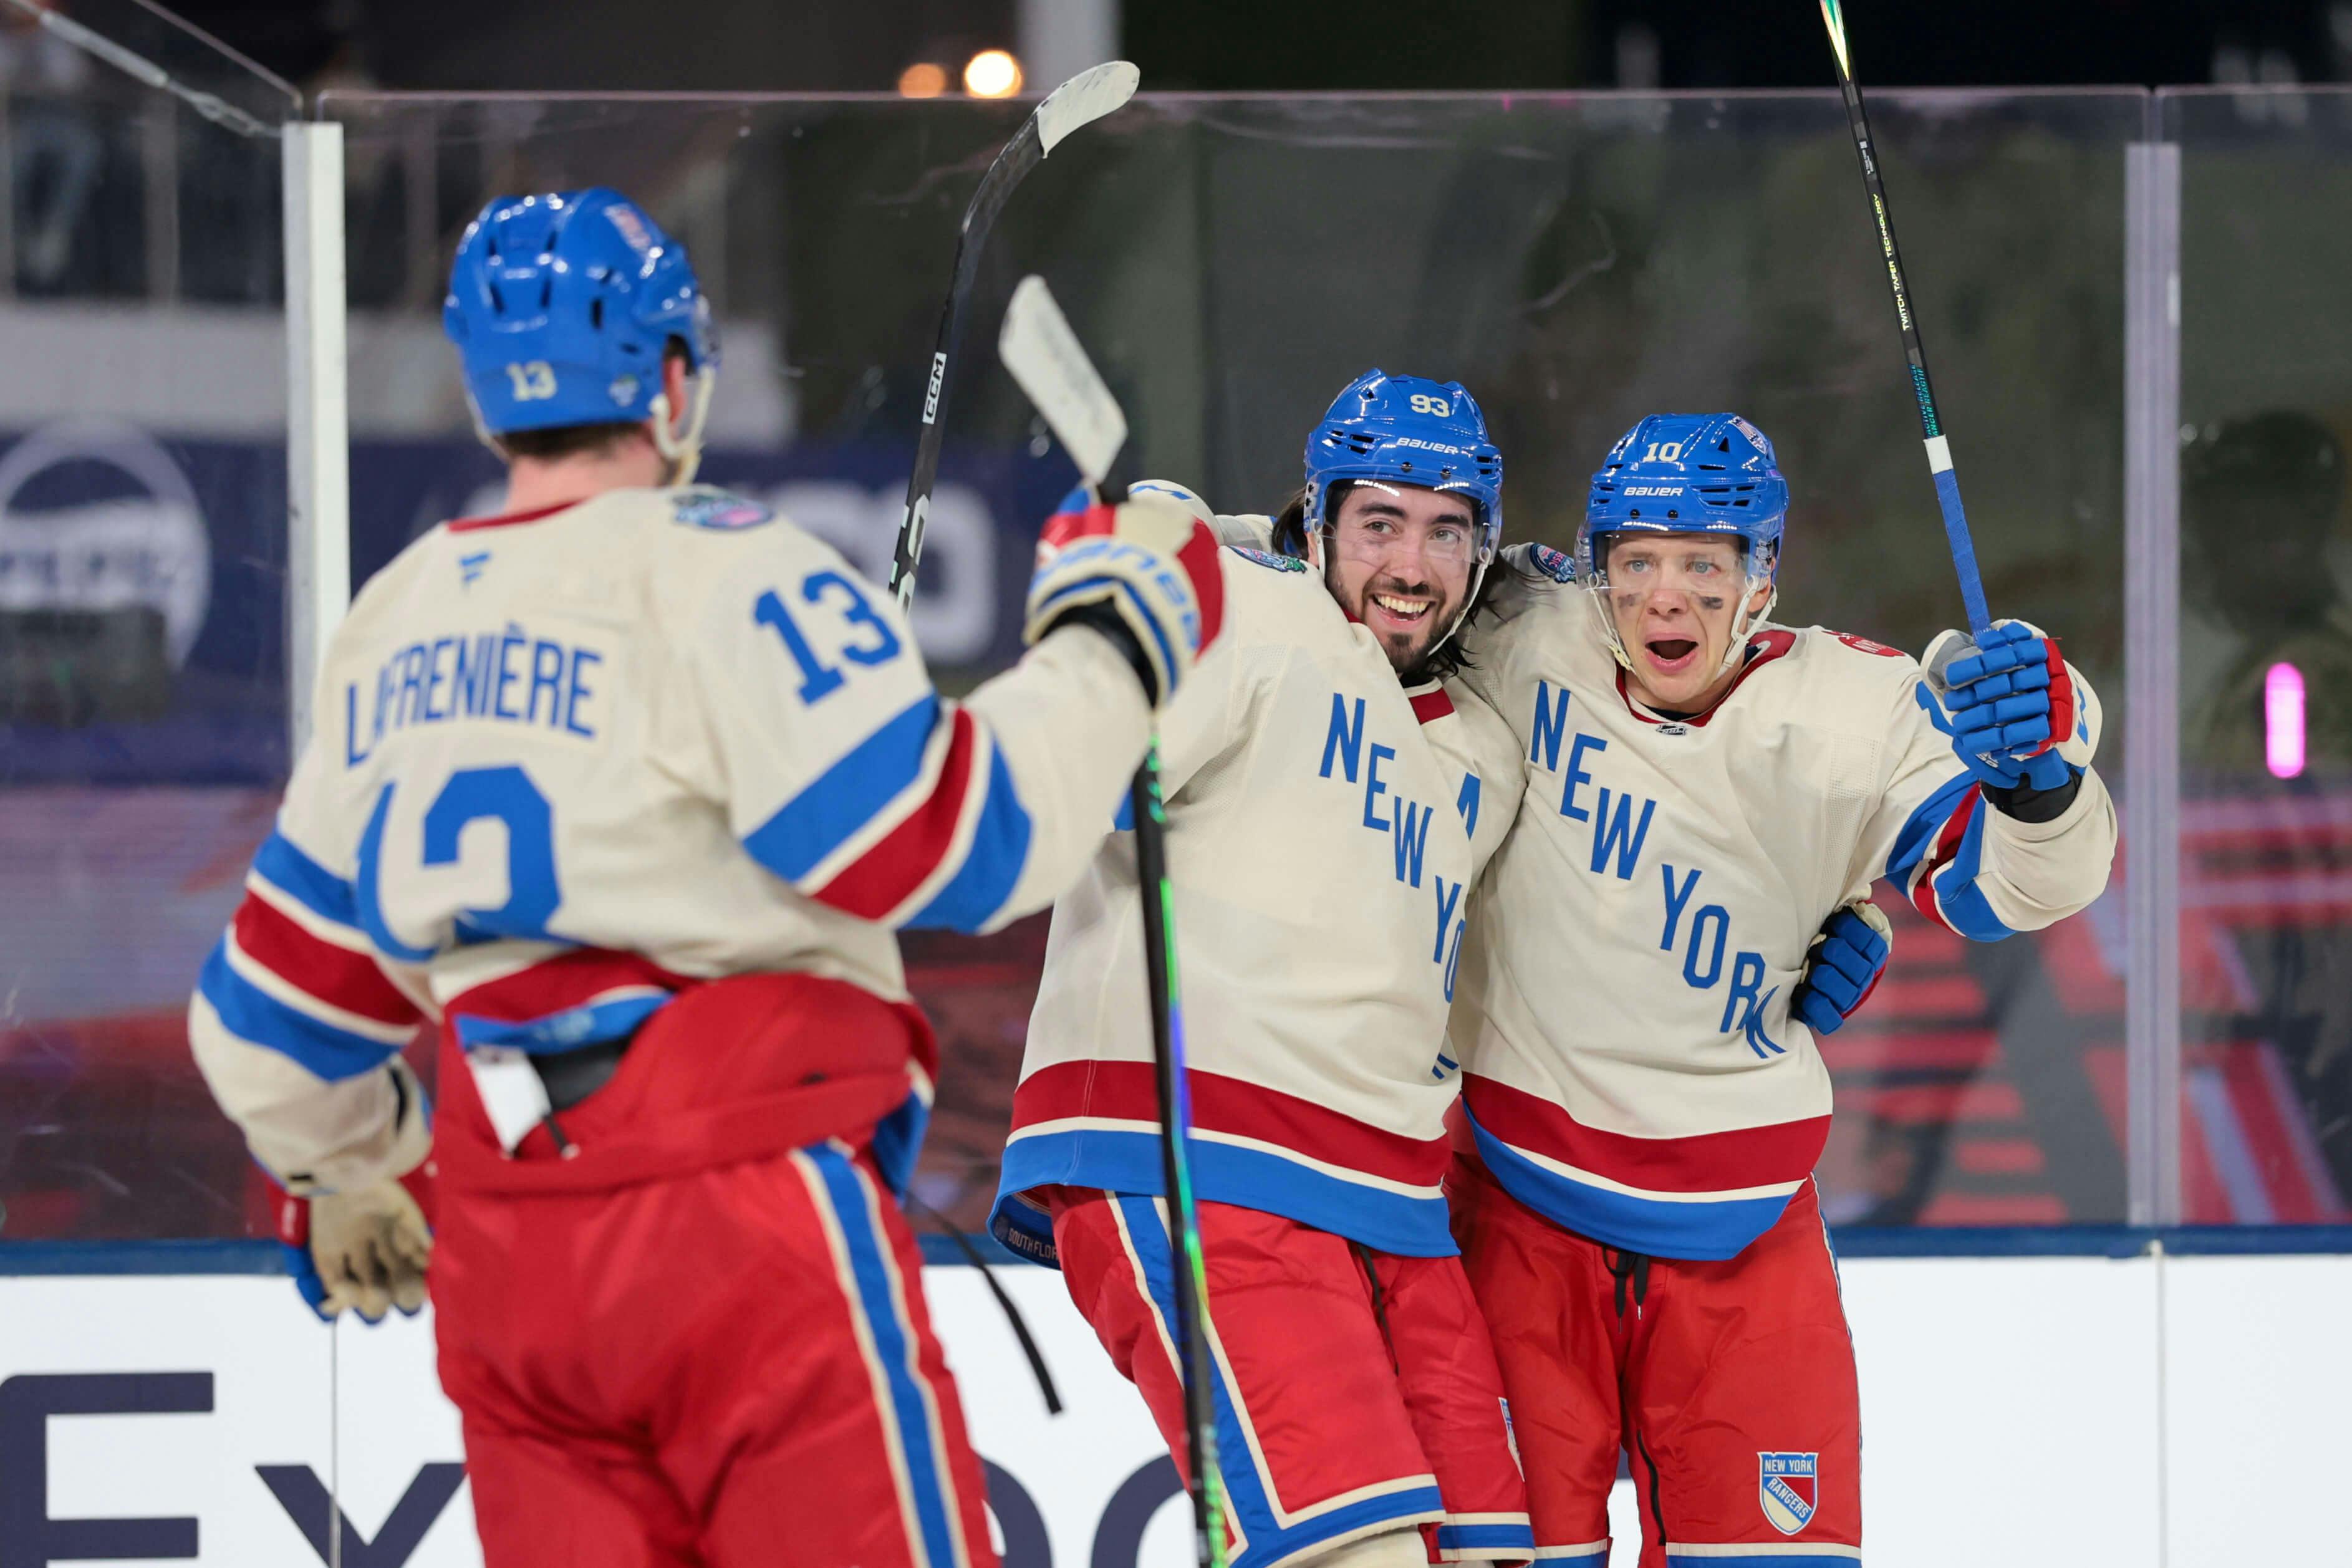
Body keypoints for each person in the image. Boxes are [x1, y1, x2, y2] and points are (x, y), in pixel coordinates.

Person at [185, 187, 1227, 1568]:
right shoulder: (724, 571)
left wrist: (350, 1170)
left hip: (509, 1251)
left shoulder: (395, 619)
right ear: (672, 379)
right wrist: (1115, 645)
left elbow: (264, 1028)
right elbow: (955, 845)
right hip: (733, 1214)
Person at [1445, 411, 2118, 1567]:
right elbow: (1363, 572)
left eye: (1704, 564)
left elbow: (2018, 890)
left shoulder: (1857, 708)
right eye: (1638, 562)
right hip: (1515, 1207)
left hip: (1745, 1234)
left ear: (1763, 577)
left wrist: (2044, 776)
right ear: (1593, 570)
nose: (1667, 598)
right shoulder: (1519, 628)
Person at [991, 372, 1537, 1568]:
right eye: (1380, 521)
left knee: (1491, 1556)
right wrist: (1127, 612)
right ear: (1318, 518)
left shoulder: (1487, 745)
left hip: (1393, 1205)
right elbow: (1077, 776)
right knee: (1358, 1557)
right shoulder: (1245, 613)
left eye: (1448, 530)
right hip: (1207, 1163)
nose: (1411, 558)